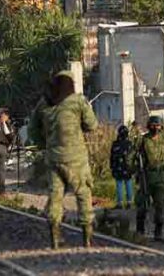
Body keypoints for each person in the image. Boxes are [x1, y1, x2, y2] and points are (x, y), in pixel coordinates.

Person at [28, 70, 98, 249]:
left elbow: (32, 130)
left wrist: (44, 144)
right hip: (76, 158)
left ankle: (55, 236)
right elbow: (92, 125)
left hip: (53, 158)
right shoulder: (77, 101)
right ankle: (87, 237)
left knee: (55, 195)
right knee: (83, 193)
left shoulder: (43, 103)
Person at [135, 115, 164, 241]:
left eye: (157, 126)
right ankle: (140, 231)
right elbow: (133, 156)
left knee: (160, 205)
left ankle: (158, 232)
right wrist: (135, 172)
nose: (155, 128)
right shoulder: (143, 140)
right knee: (142, 205)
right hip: (146, 176)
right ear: (149, 127)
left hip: (161, 177)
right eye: (153, 126)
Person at [110, 125, 134, 209]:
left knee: (119, 184)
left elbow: (112, 157)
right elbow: (133, 157)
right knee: (128, 183)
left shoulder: (115, 144)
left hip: (117, 168)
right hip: (128, 168)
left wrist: (112, 168)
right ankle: (129, 203)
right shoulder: (130, 144)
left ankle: (119, 203)